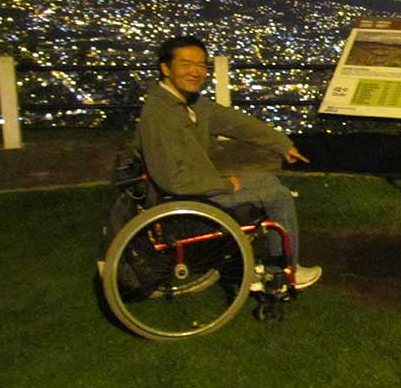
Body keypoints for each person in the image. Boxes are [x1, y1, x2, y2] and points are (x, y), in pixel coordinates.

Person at [135, 36, 322, 289]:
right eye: (186, 64)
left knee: (268, 180)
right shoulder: (161, 114)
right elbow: (173, 179)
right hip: (189, 198)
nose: (195, 71)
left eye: (201, 65)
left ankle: (276, 265)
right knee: (278, 197)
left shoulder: (186, 103)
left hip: (198, 188)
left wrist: (281, 143)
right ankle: (283, 273)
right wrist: (222, 184)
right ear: (165, 68)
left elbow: (234, 121)